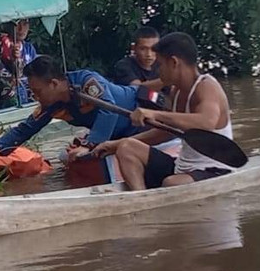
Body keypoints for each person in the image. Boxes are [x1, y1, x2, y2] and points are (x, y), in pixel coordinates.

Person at [94, 32, 234, 191]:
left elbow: (206, 123)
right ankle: (140, 198)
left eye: (160, 65)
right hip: (181, 168)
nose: (158, 71)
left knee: (171, 183)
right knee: (126, 146)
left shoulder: (207, 87)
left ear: (174, 62)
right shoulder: (176, 91)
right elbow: (166, 133)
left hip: (214, 170)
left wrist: (155, 114)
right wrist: (115, 144)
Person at [0, 55, 145, 162]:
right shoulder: (52, 105)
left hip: (140, 116)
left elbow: (109, 110)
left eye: (38, 92)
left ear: (53, 84)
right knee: (65, 158)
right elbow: (27, 128)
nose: (36, 97)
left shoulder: (86, 82)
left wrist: (89, 145)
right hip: (117, 136)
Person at [112, 26, 166, 96]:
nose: (149, 54)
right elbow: (137, 89)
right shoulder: (124, 65)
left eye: (153, 49)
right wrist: (167, 80)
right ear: (134, 48)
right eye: (143, 49)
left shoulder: (161, 66)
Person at [0, 19, 38, 104]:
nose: (21, 29)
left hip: (27, 101)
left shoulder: (29, 48)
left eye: (25, 24)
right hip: (5, 103)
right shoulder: (0, 48)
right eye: (17, 24)